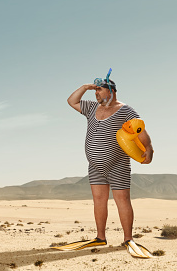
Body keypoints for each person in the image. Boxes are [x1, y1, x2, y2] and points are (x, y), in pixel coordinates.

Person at [63, 75, 155, 257]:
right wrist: (85, 86)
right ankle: (100, 237)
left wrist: (149, 148)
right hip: (95, 166)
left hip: (118, 164)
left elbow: (140, 130)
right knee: (98, 200)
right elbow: (71, 101)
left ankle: (128, 238)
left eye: (99, 89)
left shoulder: (125, 110)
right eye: (95, 90)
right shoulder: (91, 107)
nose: (96, 93)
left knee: (122, 200)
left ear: (111, 91)